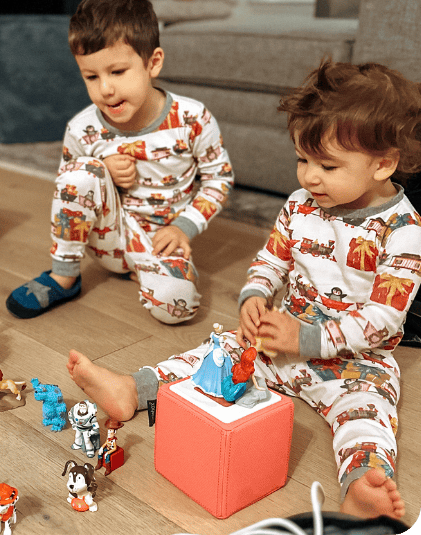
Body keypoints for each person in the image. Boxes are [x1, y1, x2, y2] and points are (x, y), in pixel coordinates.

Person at [67, 59, 421, 521]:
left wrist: (308, 339)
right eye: (302, 160)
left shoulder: (404, 229)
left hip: (357, 362)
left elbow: (384, 319)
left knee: (368, 417)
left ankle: (360, 489)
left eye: (327, 165)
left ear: (384, 163)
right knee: (211, 357)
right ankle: (135, 389)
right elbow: (271, 261)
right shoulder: (300, 205)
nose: (309, 177)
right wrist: (254, 297)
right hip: (278, 347)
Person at [6, 0, 234, 324]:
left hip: (163, 242)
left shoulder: (192, 118)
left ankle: (149, 272)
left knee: (180, 308)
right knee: (81, 172)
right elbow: (69, 192)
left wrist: (184, 229)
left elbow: (220, 178)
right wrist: (101, 169)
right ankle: (64, 276)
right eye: (91, 76)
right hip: (106, 239)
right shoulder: (82, 128)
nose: (106, 89)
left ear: (152, 63)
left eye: (117, 72)